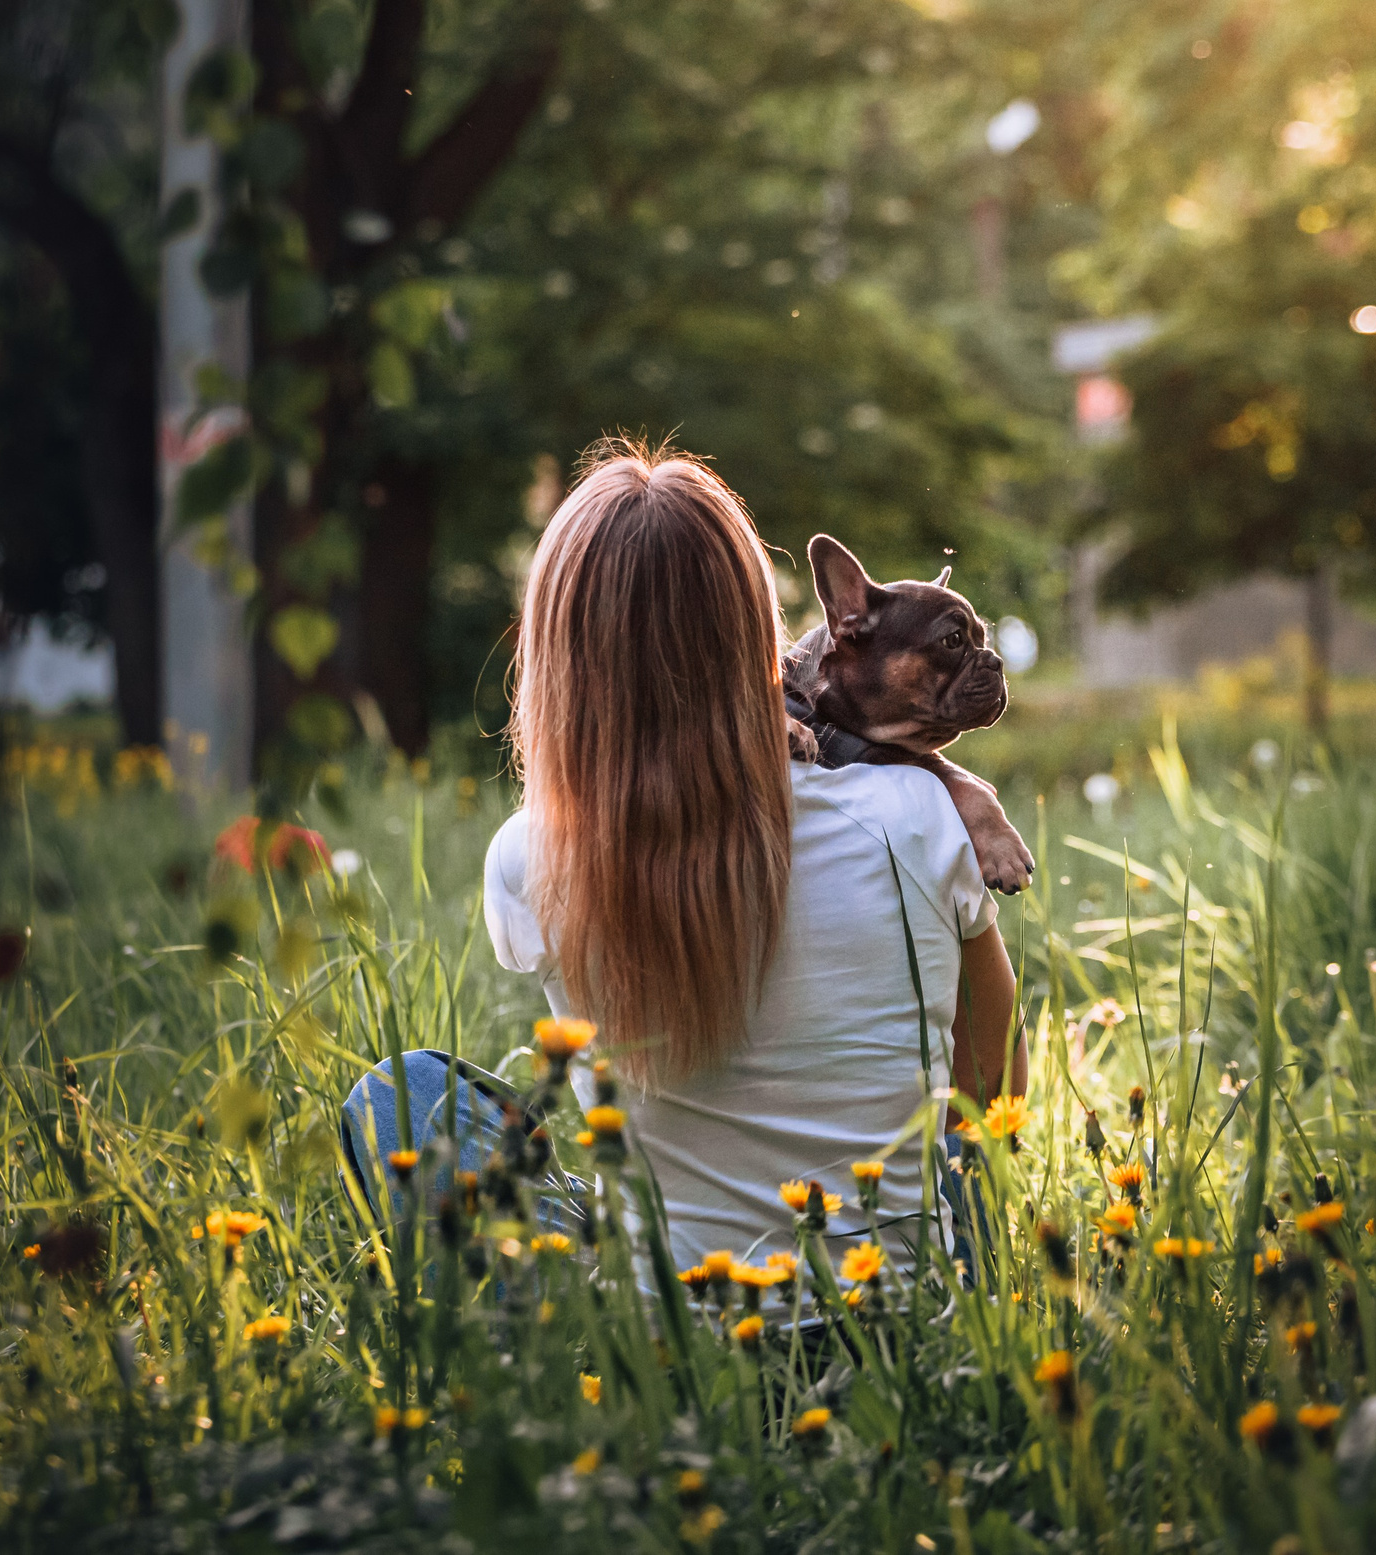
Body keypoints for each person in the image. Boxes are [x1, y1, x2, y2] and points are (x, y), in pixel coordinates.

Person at [341, 443, 1021, 1273]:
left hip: (673, 1327)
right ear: (757, 626)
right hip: (894, 1314)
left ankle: (565, 1324)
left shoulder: (532, 855)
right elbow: (994, 1090)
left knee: (400, 1097)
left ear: (562, 666)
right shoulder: (922, 810)